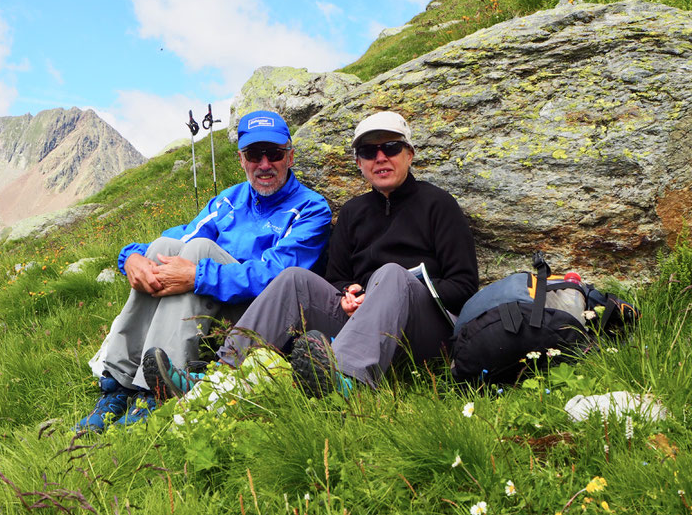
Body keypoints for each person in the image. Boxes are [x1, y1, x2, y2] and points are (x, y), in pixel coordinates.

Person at [146, 111, 478, 399]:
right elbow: (335, 277)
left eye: (391, 147)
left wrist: (392, 289)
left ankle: (346, 380)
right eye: (368, 151)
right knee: (293, 279)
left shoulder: (438, 205)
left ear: (409, 154)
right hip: (360, 321)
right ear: (359, 162)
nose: (380, 158)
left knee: (391, 274)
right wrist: (349, 293)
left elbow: (464, 286)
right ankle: (219, 378)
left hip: (422, 332)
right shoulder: (352, 213)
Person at [75, 110, 332, 432]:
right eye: (254, 154)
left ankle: (158, 388)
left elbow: (278, 274)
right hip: (214, 304)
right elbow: (181, 236)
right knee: (162, 247)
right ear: (241, 159)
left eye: (275, 154)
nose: (264, 165)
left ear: (290, 157)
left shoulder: (311, 208)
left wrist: (198, 275)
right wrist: (131, 258)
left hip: (260, 316)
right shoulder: (229, 200)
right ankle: (119, 385)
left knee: (198, 251)